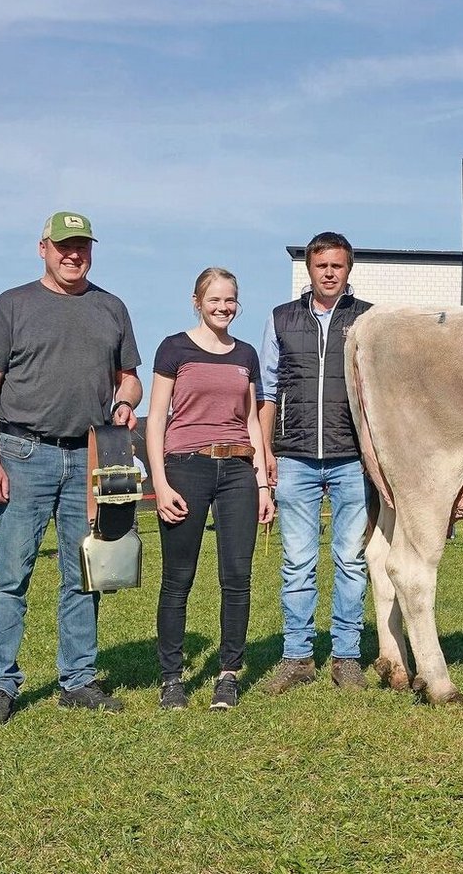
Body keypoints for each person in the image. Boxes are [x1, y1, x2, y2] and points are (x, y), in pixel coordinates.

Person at [0, 211, 142, 725]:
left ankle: (78, 680)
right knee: (10, 576)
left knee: (84, 574)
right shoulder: (13, 305)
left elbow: (129, 379)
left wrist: (126, 401)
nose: (74, 255)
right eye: (64, 246)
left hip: (89, 455)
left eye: (83, 246)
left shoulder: (110, 307)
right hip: (25, 454)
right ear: (43, 247)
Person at [148, 268, 275, 711]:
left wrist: (262, 483)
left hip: (238, 470)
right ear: (197, 301)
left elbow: (250, 421)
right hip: (186, 469)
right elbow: (157, 418)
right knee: (178, 579)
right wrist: (160, 483)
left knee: (237, 578)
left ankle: (228, 674)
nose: (224, 307)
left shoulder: (246, 354)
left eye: (231, 300)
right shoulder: (174, 348)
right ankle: (172, 679)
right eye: (215, 299)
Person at [258, 232, 374, 693]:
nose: (329, 272)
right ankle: (297, 656)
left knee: (350, 560)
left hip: (351, 459)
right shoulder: (281, 319)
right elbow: (267, 391)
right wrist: (265, 453)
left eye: (338, 266)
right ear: (309, 268)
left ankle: (346, 656)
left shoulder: (368, 320)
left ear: (349, 270)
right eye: (322, 265)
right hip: (295, 457)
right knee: (298, 561)